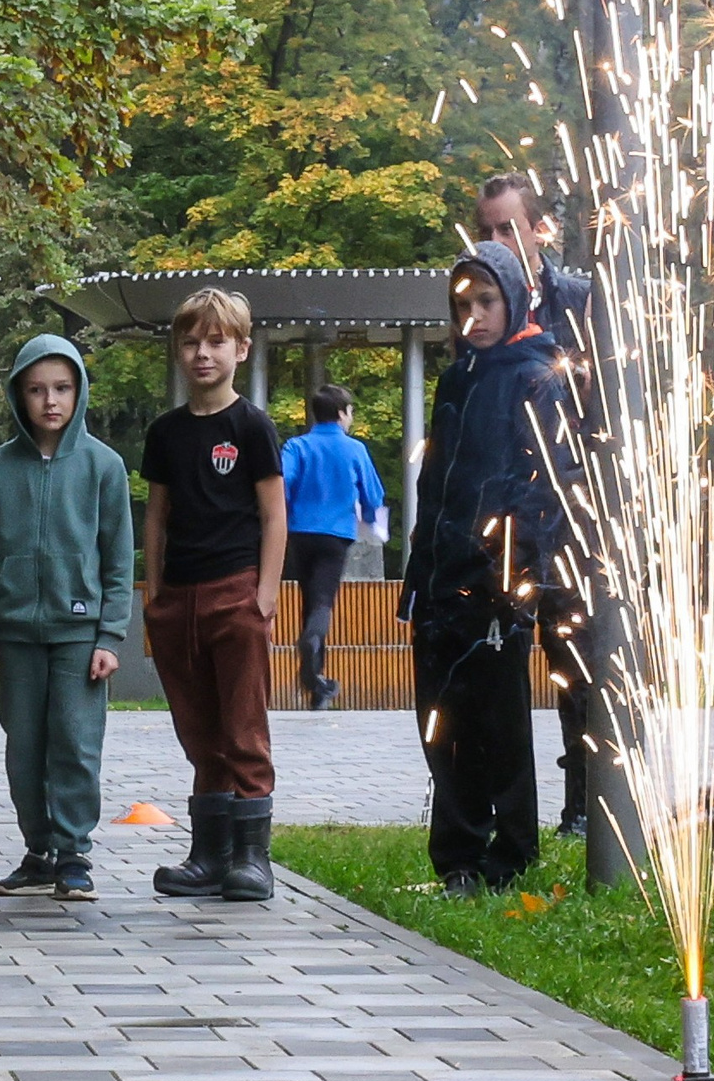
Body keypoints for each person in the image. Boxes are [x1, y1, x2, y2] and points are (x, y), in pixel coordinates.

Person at [403, 243, 576, 894]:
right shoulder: (457, 377)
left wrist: (515, 578)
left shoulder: (536, 376)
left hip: (498, 585)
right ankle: (457, 859)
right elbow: (434, 483)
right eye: (462, 305)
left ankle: (509, 857)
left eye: (485, 302)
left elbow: (544, 489)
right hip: (442, 578)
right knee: (442, 721)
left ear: (513, 299)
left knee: (498, 727)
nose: (472, 316)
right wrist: (419, 575)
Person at [0, 335, 135, 904]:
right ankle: (38, 852)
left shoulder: (103, 466)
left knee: (76, 743)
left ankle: (73, 854)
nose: (50, 401)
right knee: (24, 747)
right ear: (18, 395)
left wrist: (110, 634)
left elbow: (117, 558)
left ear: (79, 391)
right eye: (36, 390)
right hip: (14, 636)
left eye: (62, 388)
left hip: (79, 636)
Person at [142, 288, 285, 905]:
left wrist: (266, 592)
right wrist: (153, 592)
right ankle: (209, 855)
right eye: (192, 342)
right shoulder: (166, 432)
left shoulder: (251, 425)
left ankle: (253, 859)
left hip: (236, 594)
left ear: (241, 349)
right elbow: (156, 516)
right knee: (198, 730)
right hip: (178, 597)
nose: (203, 354)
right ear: (178, 350)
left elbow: (274, 514)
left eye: (216, 342)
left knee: (243, 727)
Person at [476, 173, 595, 835]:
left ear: (537, 230)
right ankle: (502, 812)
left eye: (507, 227)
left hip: (572, 517)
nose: (495, 240)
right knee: (495, 666)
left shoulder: (578, 302)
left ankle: (582, 804)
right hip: (502, 518)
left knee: (574, 666)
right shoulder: (480, 309)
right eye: (486, 228)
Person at [280, 384, 388, 711]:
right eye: (350, 411)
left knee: (309, 598)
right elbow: (373, 495)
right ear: (342, 413)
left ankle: (317, 685)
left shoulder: (296, 446)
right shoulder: (354, 449)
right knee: (323, 600)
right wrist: (373, 522)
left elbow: (281, 484)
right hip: (335, 535)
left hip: (299, 532)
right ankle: (312, 659)